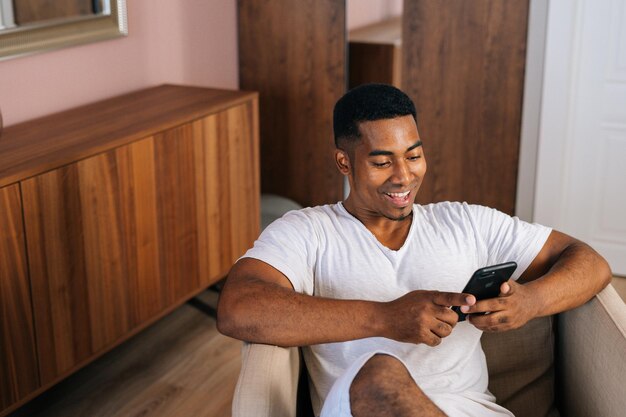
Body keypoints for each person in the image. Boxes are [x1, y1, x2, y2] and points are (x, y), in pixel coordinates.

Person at [217, 84, 611, 417]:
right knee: (380, 375)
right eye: (382, 161)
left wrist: (532, 301)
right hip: (362, 404)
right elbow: (238, 307)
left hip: (469, 409)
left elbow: (590, 262)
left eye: (414, 155)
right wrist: (386, 317)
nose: (404, 176)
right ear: (344, 162)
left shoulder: (467, 222)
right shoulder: (308, 232)